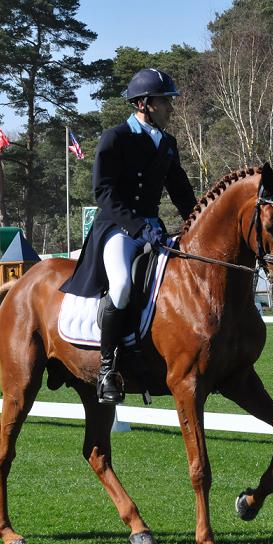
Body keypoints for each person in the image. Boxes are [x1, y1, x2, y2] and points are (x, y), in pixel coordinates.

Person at [60, 68, 198, 404]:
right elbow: (103, 192)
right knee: (121, 285)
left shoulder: (167, 143)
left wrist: (197, 221)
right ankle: (108, 368)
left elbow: (180, 191)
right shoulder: (116, 137)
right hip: (118, 228)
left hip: (154, 229)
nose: (170, 106)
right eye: (165, 100)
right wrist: (139, 227)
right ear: (145, 103)